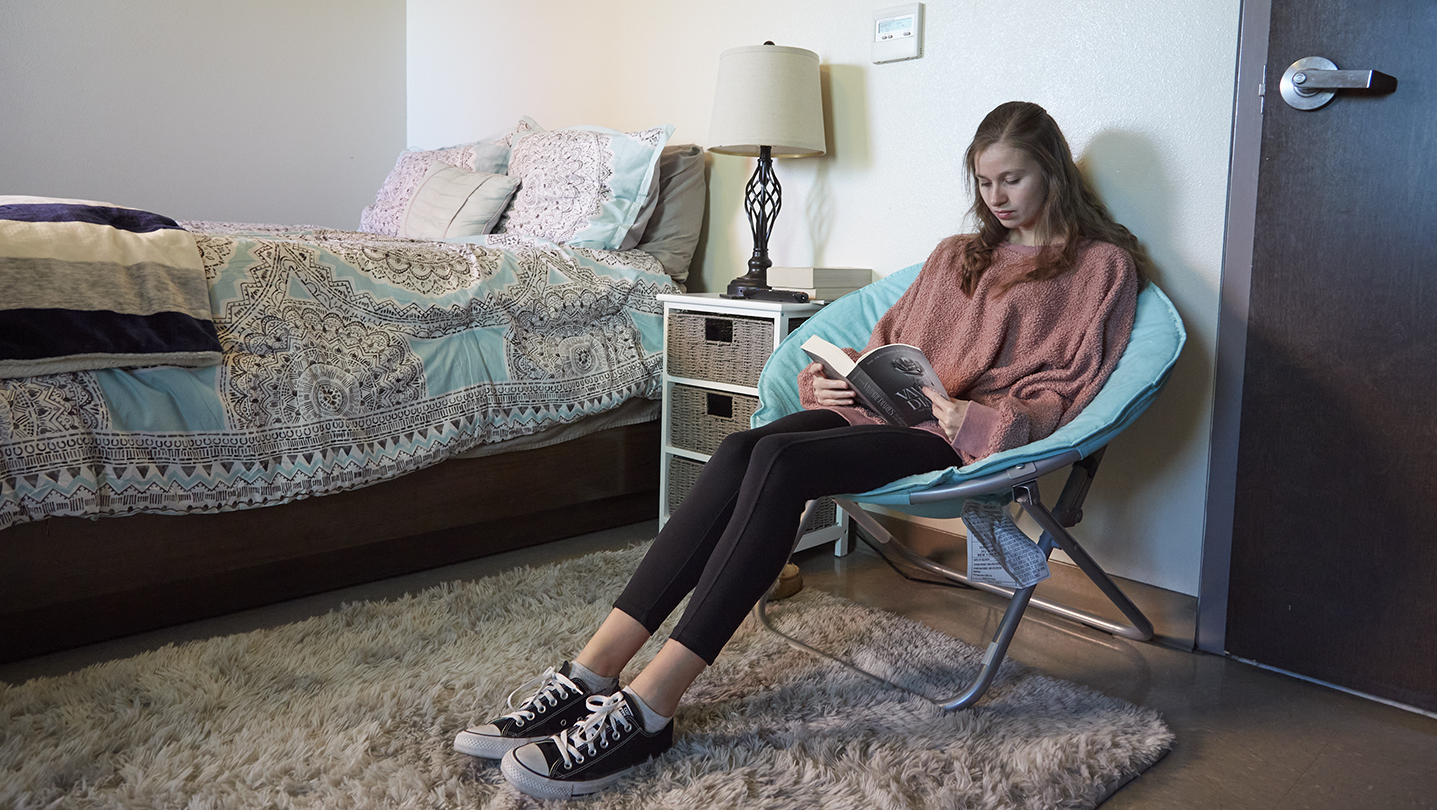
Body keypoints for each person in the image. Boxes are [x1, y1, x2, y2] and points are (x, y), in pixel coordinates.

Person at [453, 100, 1154, 800]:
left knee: (782, 466)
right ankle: (591, 674)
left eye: (1013, 180)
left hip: (954, 439)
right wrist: (838, 379)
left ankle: (652, 704)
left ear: (1053, 175)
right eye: (983, 182)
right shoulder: (956, 256)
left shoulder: (1101, 270)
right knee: (738, 452)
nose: (996, 199)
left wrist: (972, 415)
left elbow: (1069, 391)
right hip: (888, 418)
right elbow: (891, 342)